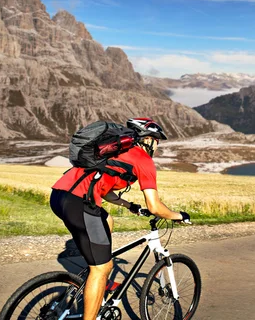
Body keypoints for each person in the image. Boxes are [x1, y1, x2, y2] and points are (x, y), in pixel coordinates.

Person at [50, 117, 190, 320]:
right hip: (79, 203)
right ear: (148, 139)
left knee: (107, 221)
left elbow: (105, 189)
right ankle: (99, 275)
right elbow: (155, 206)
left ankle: (99, 272)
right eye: (156, 141)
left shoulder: (112, 150)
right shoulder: (143, 160)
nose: (157, 147)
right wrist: (178, 216)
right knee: (101, 268)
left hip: (59, 196)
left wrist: (129, 205)